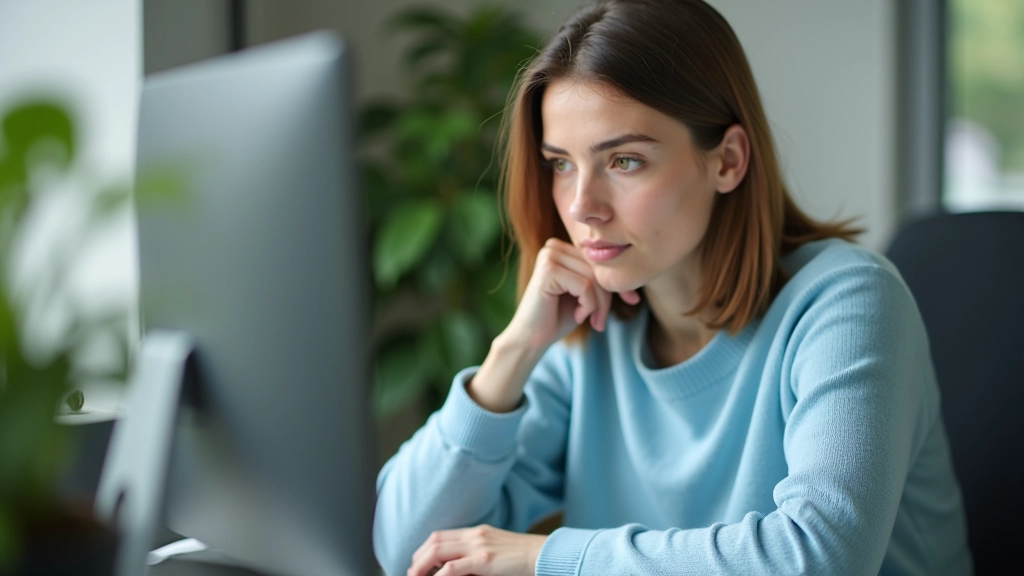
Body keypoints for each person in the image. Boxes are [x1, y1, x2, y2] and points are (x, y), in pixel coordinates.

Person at [372, 0, 972, 574]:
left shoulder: (847, 302)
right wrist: (511, 354)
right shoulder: (589, 331)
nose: (582, 207)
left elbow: (819, 558)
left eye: (624, 161)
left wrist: (545, 558)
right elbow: (405, 548)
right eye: (561, 164)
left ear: (728, 161)